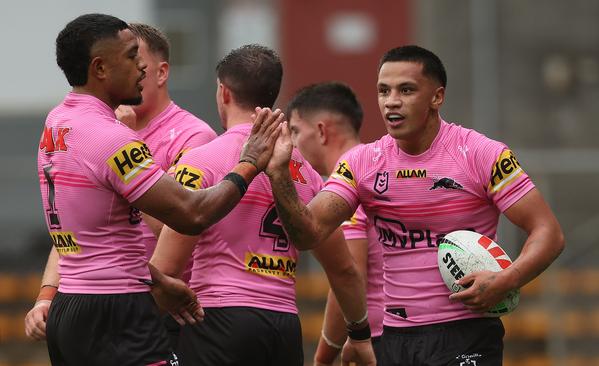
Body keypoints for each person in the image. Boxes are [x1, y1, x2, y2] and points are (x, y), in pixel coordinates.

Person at [266, 45, 565, 365]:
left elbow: (548, 232)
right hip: (395, 340)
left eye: (406, 90)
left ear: (437, 97)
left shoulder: (481, 153)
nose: (391, 101)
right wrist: (279, 174)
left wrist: (507, 279)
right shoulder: (362, 163)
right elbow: (308, 232)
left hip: (467, 334)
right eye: (383, 91)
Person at [34, 14, 282, 366]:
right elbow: (192, 214)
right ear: (100, 68)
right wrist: (249, 163)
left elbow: (98, 239)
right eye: (131, 56)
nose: (140, 68)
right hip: (117, 312)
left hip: (73, 304)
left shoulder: (57, 121)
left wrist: (155, 280)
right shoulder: (113, 138)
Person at [150, 45, 375, 366]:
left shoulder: (202, 160)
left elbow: (165, 268)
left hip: (217, 319)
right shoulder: (305, 171)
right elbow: (343, 270)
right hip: (283, 325)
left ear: (224, 92)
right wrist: (359, 334)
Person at [24, 23, 218, 347]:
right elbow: (76, 224)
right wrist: (46, 296)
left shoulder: (192, 137)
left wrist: (147, 296)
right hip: (113, 304)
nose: (137, 68)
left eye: (138, 59)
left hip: (157, 308)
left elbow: (177, 227)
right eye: (129, 59)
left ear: (161, 72)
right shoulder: (94, 131)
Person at [285, 82, 384, 365]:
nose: (291, 144)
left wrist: (323, 356)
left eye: (295, 131)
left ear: (321, 130)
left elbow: (349, 272)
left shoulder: (347, 183)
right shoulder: (378, 166)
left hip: (377, 339)